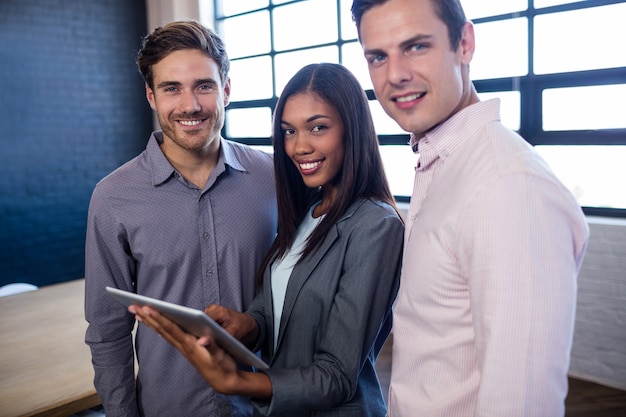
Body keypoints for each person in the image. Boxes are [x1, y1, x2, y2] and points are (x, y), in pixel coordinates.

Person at [350, 0, 591, 416]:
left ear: (464, 43)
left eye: (416, 46)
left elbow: (521, 405)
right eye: (378, 56)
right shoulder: (444, 162)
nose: (395, 75)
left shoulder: (509, 186)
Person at [130, 62, 404, 417]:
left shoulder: (376, 226)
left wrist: (237, 383)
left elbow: (335, 376)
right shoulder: (309, 209)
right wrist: (249, 324)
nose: (299, 147)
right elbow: (285, 304)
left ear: (353, 130)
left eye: (318, 127)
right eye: (289, 131)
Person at [84, 21, 278, 417]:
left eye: (204, 86)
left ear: (226, 90)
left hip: (269, 404)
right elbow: (108, 332)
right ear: (151, 96)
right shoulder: (112, 197)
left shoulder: (275, 178)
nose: (190, 105)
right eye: (172, 88)